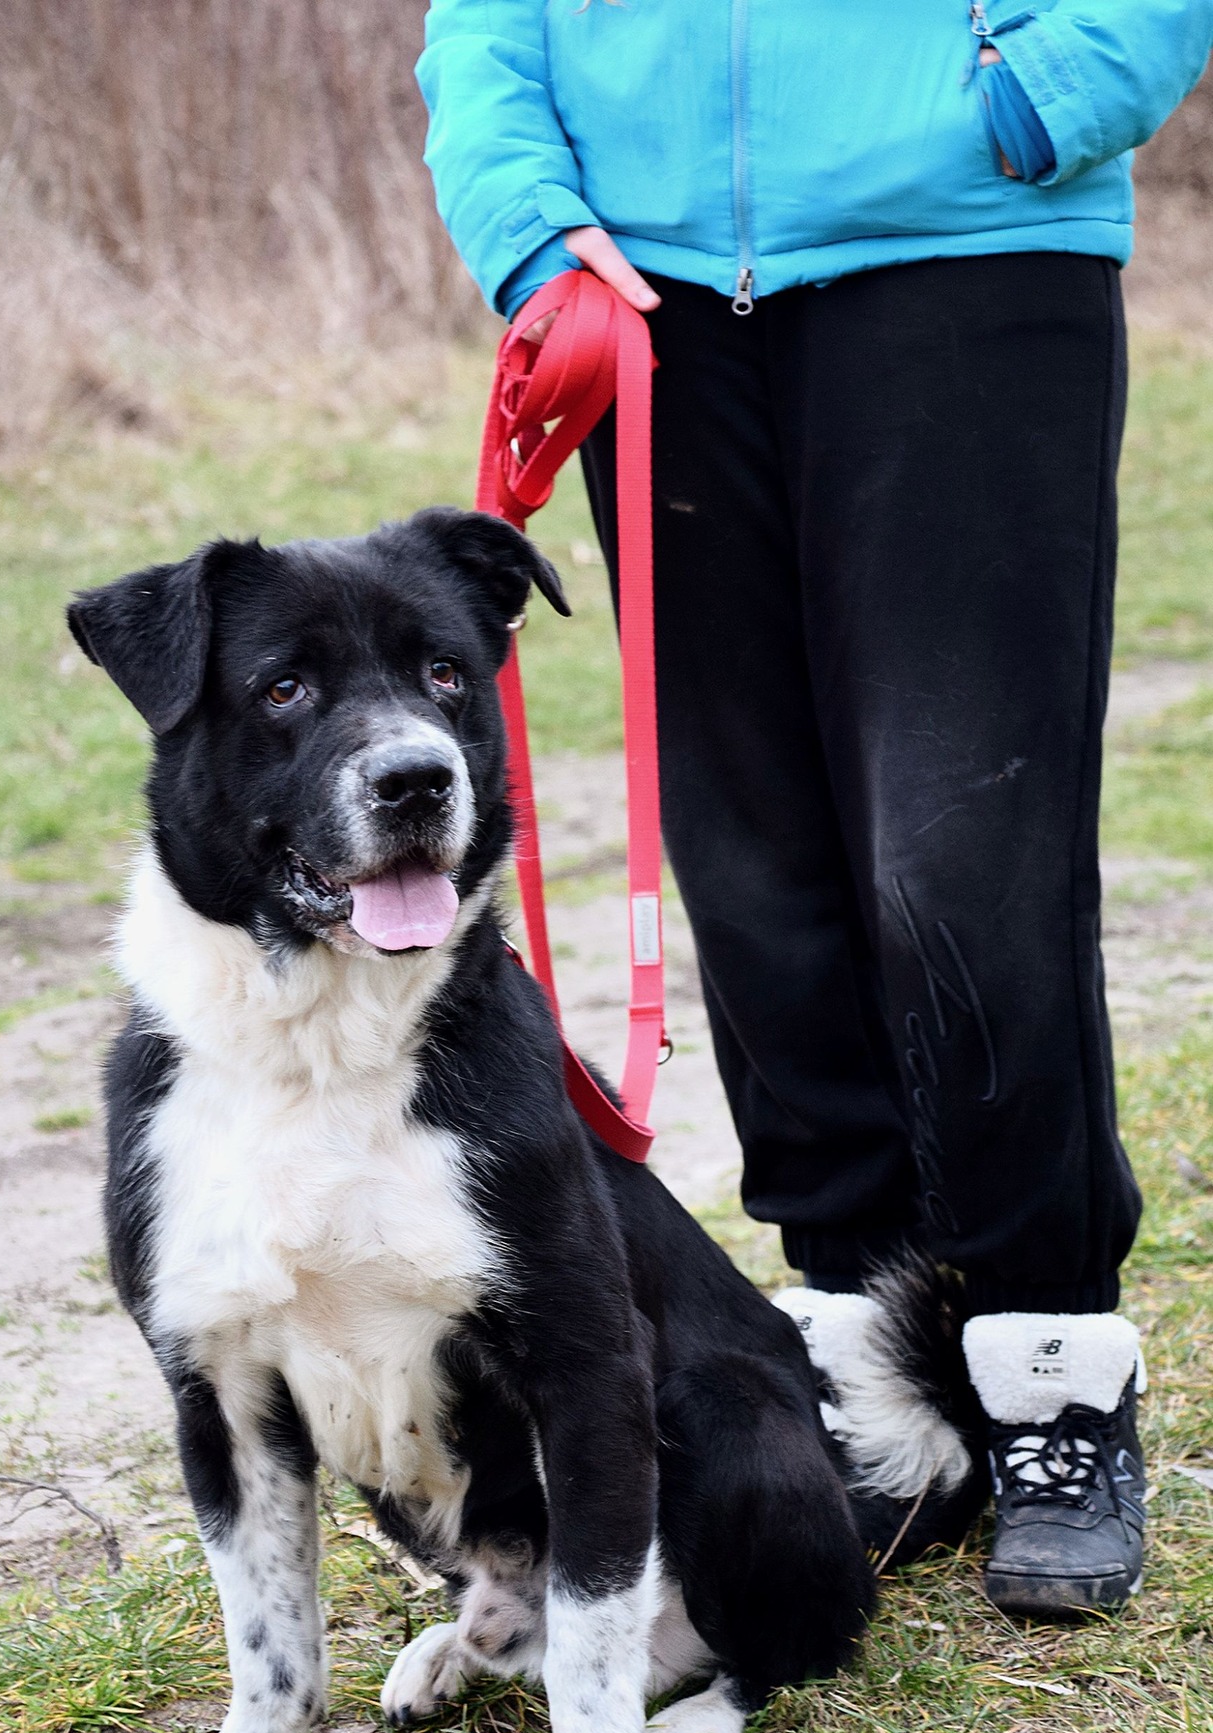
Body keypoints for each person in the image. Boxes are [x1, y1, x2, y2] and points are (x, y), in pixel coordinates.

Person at [417, 2, 1213, 1620]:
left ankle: (1049, 1376)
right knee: (751, 856)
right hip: (644, 296)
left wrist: (1046, 90)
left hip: (963, 250)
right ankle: (864, 1364)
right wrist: (531, 225)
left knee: (960, 849)